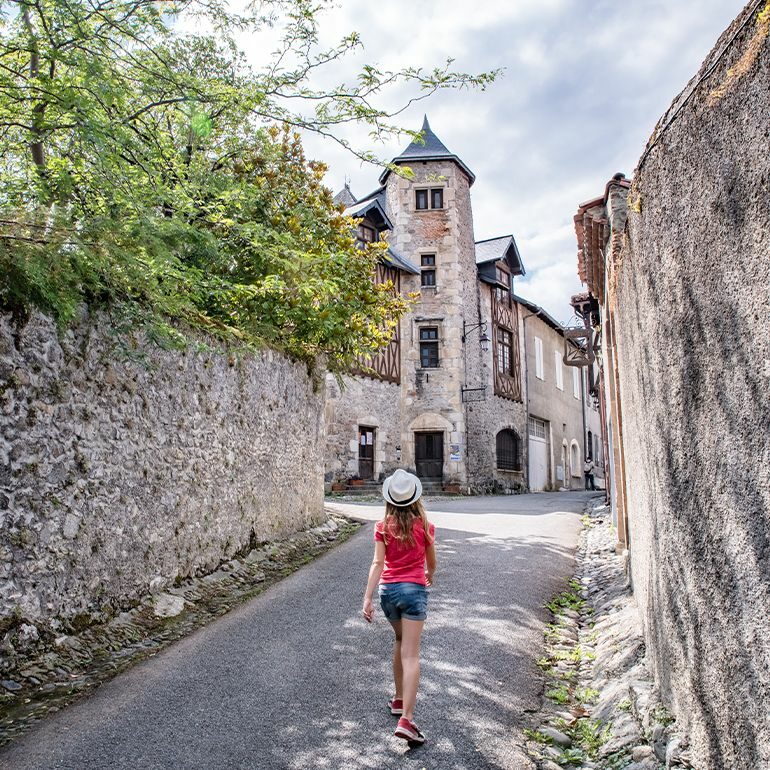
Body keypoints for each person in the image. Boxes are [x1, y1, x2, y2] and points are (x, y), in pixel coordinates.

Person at [362, 469, 436, 745]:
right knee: (411, 655)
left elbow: (378, 564)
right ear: (415, 498)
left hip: (387, 592)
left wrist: (367, 598)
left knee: (399, 638)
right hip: (413, 590)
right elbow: (433, 562)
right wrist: (430, 575)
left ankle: (398, 698)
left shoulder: (382, 527)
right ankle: (406, 719)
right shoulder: (425, 526)